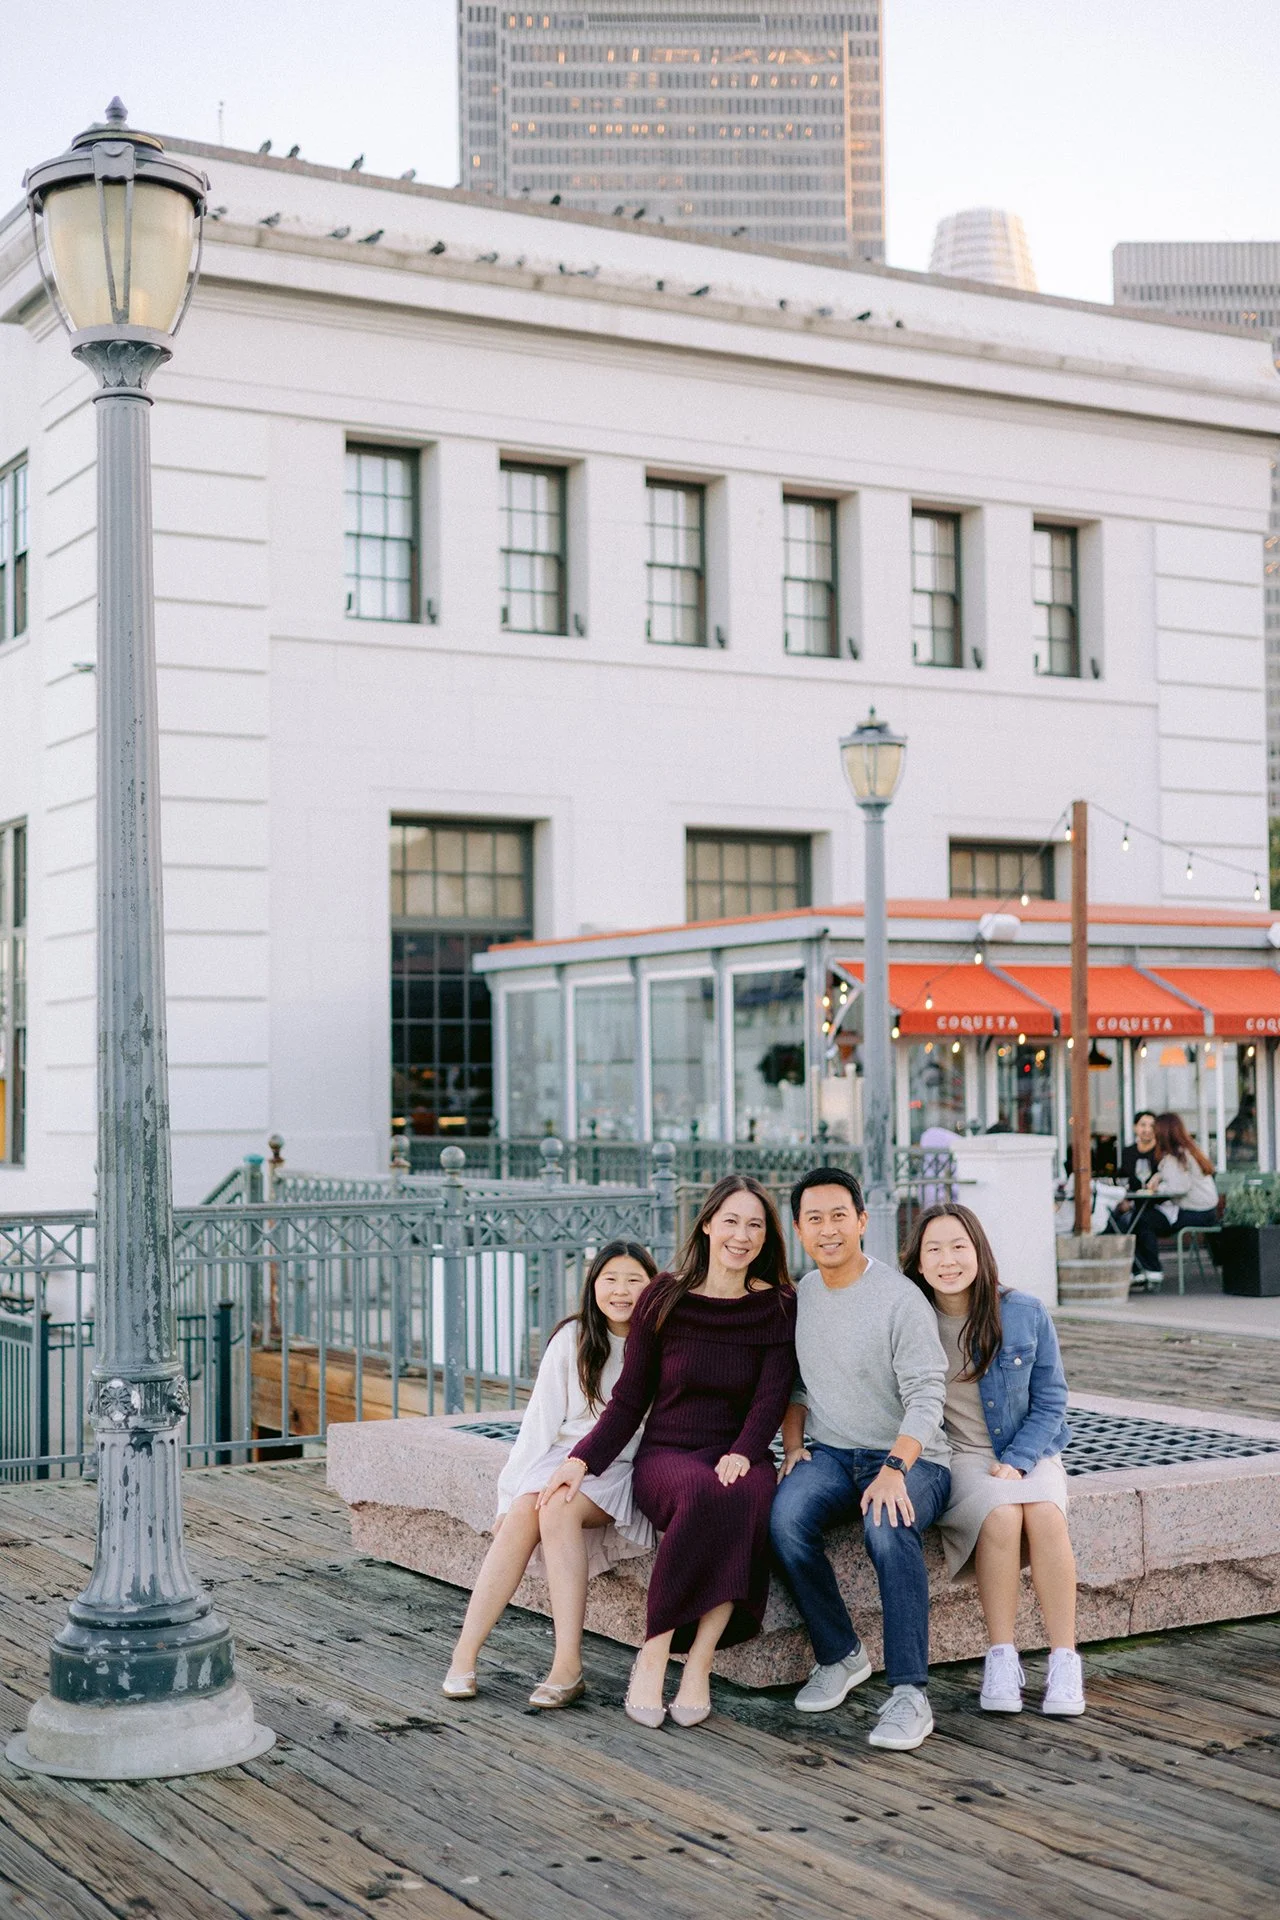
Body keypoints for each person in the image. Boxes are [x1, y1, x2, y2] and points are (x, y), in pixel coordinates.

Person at [541, 1176, 796, 1729]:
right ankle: (654, 1651)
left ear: (766, 1236)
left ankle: (699, 1663)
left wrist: (747, 1451)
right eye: (730, 1220)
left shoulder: (778, 1305)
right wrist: (582, 1459)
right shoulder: (664, 1295)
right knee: (704, 1492)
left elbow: (772, 1396)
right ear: (706, 1224)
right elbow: (630, 1397)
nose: (741, 1235)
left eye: (755, 1224)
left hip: (738, 1451)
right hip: (668, 1455)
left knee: (746, 1495)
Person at [769, 1168, 951, 1753]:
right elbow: (796, 1386)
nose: (828, 1230)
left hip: (912, 1458)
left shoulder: (900, 1298)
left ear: (863, 1221)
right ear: (799, 1229)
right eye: (814, 1219)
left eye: (839, 1216)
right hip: (831, 1453)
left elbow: (927, 1394)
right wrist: (794, 1446)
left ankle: (909, 1694)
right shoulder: (802, 1298)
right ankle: (841, 1653)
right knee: (784, 1519)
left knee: (886, 1522)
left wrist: (895, 1470)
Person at [442, 1240, 657, 1708]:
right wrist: (506, 1497)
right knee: (522, 1513)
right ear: (592, 1285)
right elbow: (538, 1426)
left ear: (652, 1285)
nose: (621, 1291)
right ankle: (464, 1654)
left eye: (634, 1280)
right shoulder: (574, 1338)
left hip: (619, 1464)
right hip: (559, 1457)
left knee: (556, 1508)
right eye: (610, 1280)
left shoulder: (659, 1339)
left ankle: (567, 1665)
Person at [902, 1203, 1084, 1717]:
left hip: (1030, 1445)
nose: (947, 1259)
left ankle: (1064, 1659)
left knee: (1045, 1514)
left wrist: (1021, 1460)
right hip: (958, 1454)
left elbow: (1052, 1399)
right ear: (918, 1262)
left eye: (959, 1246)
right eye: (933, 1249)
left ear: (979, 1252)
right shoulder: (911, 1318)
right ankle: (1001, 1656)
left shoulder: (1023, 1310)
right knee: (1001, 1515)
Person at [1132, 1112, 1219, 1281]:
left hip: (1195, 1212)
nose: (1152, 1132)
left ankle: (1151, 1269)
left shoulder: (1177, 1156)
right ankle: (1146, 1269)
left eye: (1155, 1128)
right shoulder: (1190, 1149)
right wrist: (1159, 1176)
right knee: (1145, 1218)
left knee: (1142, 1220)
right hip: (1208, 1212)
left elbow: (1179, 1187)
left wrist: (1158, 1187)